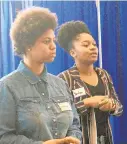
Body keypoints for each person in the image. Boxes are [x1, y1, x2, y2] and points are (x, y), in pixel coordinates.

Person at [0, 7, 81, 144]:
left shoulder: (60, 84)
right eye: (46, 41)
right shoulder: (7, 87)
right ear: (28, 45)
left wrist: (73, 139)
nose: (53, 46)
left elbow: (74, 125)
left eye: (53, 40)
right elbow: (3, 137)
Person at [57, 20, 123, 144]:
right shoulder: (64, 79)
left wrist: (111, 105)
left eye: (94, 44)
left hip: (106, 138)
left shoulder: (103, 74)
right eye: (86, 45)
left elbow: (119, 108)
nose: (93, 48)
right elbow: (59, 115)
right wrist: (87, 102)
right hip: (78, 140)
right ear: (73, 52)